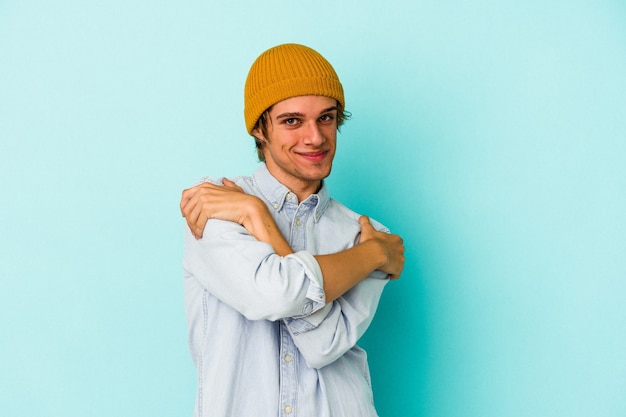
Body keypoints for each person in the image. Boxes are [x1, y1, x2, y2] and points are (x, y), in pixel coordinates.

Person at [180, 43, 405, 417]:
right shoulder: (217, 205)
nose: (315, 137)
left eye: (327, 118)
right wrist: (373, 256)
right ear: (258, 128)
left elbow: (325, 343)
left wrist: (260, 224)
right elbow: (274, 294)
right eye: (292, 121)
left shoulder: (362, 231)